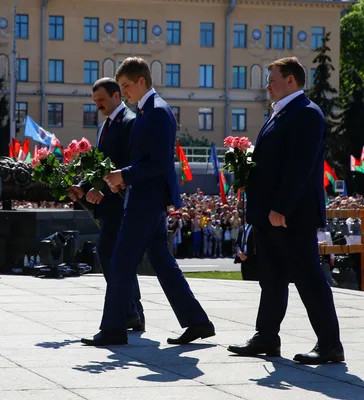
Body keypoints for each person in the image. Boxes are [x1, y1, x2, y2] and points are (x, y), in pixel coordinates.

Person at [81, 57, 215, 346]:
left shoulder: (155, 112)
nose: (124, 92)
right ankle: (197, 322)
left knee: (120, 262)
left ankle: (114, 328)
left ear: (141, 81)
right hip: (147, 199)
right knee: (162, 263)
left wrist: (124, 175)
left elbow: (158, 164)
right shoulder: (148, 111)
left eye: (126, 86)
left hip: (145, 200)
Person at [228, 57, 344, 364]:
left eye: (272, 79)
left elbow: (300, 167)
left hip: (291, 216)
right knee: (272, 278)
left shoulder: (306, 113)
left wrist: (281, 207)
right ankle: (266, 336)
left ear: (291, 80)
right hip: (269, 215)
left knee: (308, 278)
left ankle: (330, 344)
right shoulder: (280, 113)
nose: (267, 85)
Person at [68, 77, 144, 331]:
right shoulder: (104, 127)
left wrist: (103, 191)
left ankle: (129, 310)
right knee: (117, 257)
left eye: (101, 100)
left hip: (124, 203)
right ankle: (133, 311)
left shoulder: (131, 123)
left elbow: (127, 166)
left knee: (108, 253)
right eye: (95, 101)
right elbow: (100, 165)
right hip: (108, 204)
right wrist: (84, 186)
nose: (97, 106)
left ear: (116, 96)